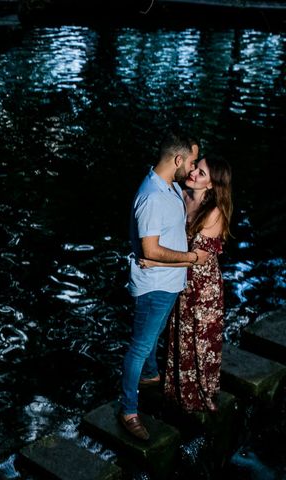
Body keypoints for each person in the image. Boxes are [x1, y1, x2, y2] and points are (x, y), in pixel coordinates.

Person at [119, 131, 208, 441]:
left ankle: (150, 375)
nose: (193, 168)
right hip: (154, 286)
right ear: (178, 160)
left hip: (168, 283)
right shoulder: (152, 196)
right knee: (140, 346)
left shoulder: (168, 185)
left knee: (152, 336)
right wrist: (190, 258)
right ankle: (129, 410)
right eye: (192, 162)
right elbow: (150, 250)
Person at [140, 156, 232, 413]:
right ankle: (175, 393)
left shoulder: (214, 213)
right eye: (195, 168)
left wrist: (155, 263)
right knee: (178, 336)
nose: (193, 174)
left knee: (200, 341)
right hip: (179, 280)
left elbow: (196, 260)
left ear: (212, 185)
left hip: (203, 288)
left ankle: (201, 397)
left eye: (201, 173)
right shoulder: (180, 195)